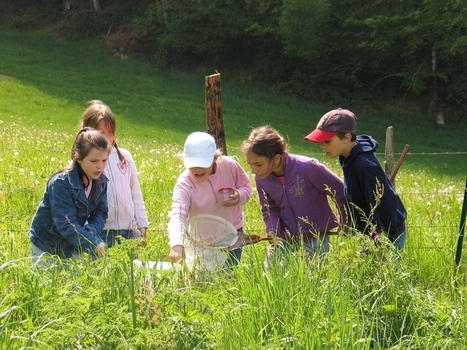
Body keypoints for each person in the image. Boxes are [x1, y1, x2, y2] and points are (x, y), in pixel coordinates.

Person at [304, 108, 407, 250]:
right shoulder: (348, 156)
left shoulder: (364, 165)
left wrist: (381, 242)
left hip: (388, 235)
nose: (322, 146)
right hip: (369, 233)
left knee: (385, 271)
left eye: (327, 141)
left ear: (346, 138)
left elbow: (384, 204)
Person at [241, 125, 347, 263]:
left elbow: (339, 191)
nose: (253, 170)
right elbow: (269, 208)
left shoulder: (308, 168)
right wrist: (273, 229)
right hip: (285, 236)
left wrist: (345, 222)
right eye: (250, 164)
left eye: (258, 164)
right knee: (272, 272)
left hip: (316, 236)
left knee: (314, 275)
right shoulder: (262, 179)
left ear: (277, 159)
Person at [168, 131, 252, 267]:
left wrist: (239, 196)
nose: (197, 169)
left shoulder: (229, 166)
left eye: (203, 163)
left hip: (232, 232)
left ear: (215, 158)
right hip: (202, 240)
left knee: (228, 275)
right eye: (192, 163)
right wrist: (177, 243)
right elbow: (177, 214)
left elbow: (247, 188)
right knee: (206, 279)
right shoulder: (185, 183)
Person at [29, 127, 111, 264]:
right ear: (77, 157)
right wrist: (93, 243)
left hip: (72, 246)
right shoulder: (61, 183)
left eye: (104, 160)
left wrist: (90, 231)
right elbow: (66, 222)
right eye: (94, 161)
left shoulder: (101, 181)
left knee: (73, 284)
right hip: (47, 246)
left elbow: (101, 212)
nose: (100, 167)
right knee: (48, 284)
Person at [80, 100, 149, 248]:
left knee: (131, 269)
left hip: (129, 231)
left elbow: (135, 193)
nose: (108, 138)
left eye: (111, 132)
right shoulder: (87, 162)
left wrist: (142, 224)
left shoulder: (125, 157)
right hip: (101, 232)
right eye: (102, 133)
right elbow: (81, 200)